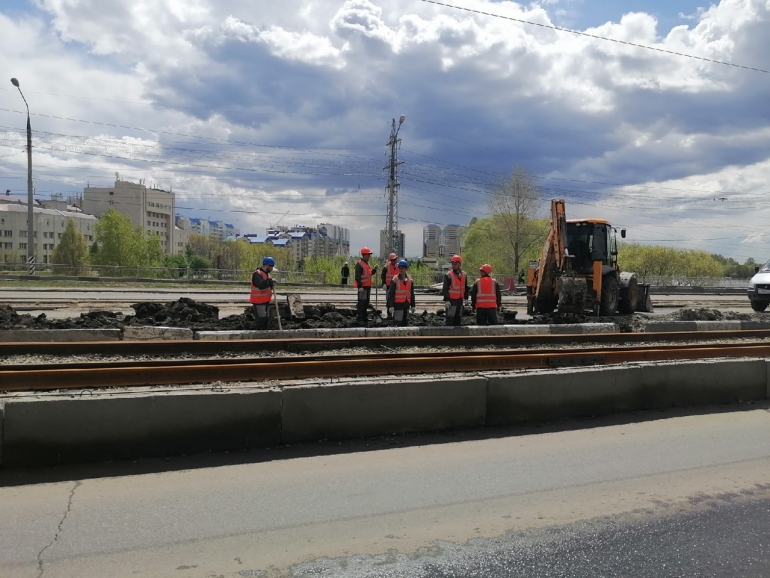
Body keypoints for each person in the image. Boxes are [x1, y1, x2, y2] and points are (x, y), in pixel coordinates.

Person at [442, 254, 469, 327]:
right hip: (451, 301)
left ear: (460, 264)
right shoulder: (449, 275)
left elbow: (465, 287)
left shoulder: (464, 275)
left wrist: (466, 298)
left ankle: (457, 337)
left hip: (460, 301)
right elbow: (445, 288)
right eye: (452, 264)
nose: (453, 265)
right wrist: (447, 300)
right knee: (450, 319)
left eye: (455, 264)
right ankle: (449, 337)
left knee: (458, 319)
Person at [354, 247, 378, 327]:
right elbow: (357, 276)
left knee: (366, 302)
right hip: (363, 287)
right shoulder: (360, 264)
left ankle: (364, 317)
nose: (369, 256)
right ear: (364, 255)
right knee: (362, 303)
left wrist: (374, 270)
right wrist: (360, 286)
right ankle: (360, 318)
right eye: (368, 255)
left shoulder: (367, 264)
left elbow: (369, 274)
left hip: (367, 287)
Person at [386, 260, 415, 327]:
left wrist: (413, 305)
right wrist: (391, 306)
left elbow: (412, 294)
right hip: (398, 304)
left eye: (402, 268)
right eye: (399, 268)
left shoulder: (410, 280)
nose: (400, 269)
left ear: (406, 269)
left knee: (405, 322)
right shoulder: (395, 279)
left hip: (406, 303)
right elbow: (391, 294)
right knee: (397, 322)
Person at [250, 256, 276, 330]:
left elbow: (267, 287)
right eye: (271, 267)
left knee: (265, 320)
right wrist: (270, 282)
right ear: (267, 266)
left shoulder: (266, 274)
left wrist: (271, 284)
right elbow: (261, 285)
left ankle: (264, 335)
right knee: (261, 321)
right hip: (259, 302)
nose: (271, 269)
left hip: (265, 302)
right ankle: (260, 338)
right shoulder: (257, 274)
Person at [381, 253, 399, 319]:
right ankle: (389, 314)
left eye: (395, 259)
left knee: (396, 300)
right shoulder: (386, 266)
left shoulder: (398, 266)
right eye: (393, 260)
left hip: (397, 286)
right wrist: (383, 283)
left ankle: (395, 313)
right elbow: (383, 275)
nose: (394, 261)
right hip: (389, 286)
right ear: (390, 260)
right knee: (389, 300)